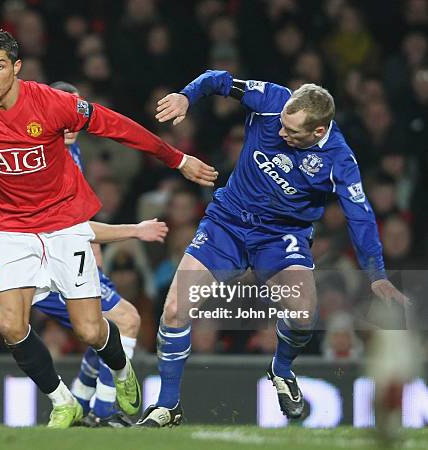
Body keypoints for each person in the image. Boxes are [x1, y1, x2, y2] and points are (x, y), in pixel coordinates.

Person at [0, 29, 217, 428]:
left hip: (64, 225)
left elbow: (119, 127)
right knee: (10, 325)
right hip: (9, 228)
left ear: (16, 68)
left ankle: (120, 368)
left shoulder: (52, 103)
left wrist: (177, 159)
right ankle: (64, 401)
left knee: (91, 330)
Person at [136, 70, 409, 427]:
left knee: (303, 314)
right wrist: (187, 96)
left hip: (281, 236)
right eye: (282, 124)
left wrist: (377, 276)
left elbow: (361, 217)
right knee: (174, 309)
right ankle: (168, 406)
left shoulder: (339, 160)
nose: (280, 133)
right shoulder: (272, 100)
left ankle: (281, 371)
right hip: (227, 224)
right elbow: (218, 80)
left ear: (319, 132)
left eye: (291, 132)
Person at [29, 80, 147, 428]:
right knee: (124, 322)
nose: (70, 121)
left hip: (71, 256)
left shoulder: (73, 151)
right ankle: (107, 410)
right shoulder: (47, 157)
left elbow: (74, 213)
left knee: (101, 331)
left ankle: (80, 404)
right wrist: (136, 230)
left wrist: (91, 245)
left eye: (76, 112)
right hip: (48, 264)